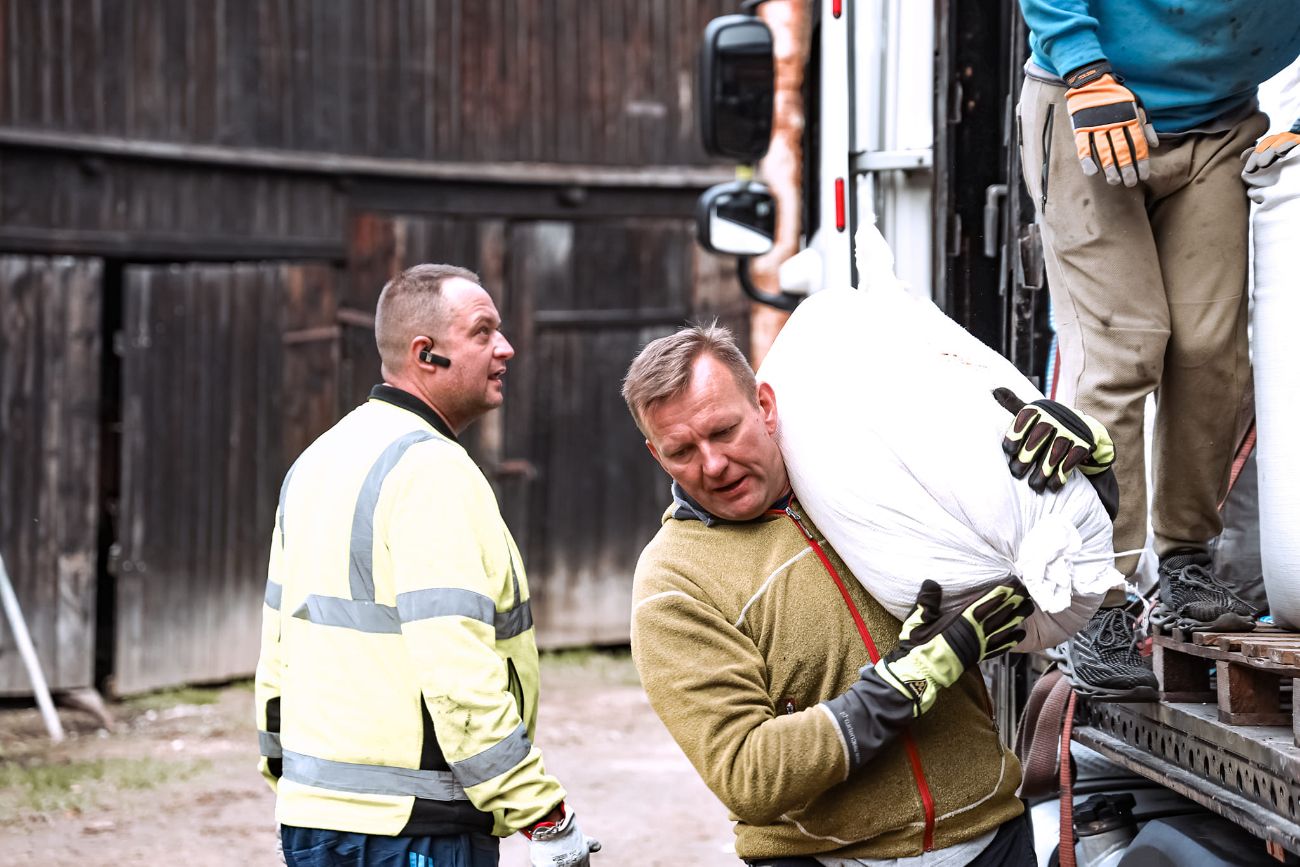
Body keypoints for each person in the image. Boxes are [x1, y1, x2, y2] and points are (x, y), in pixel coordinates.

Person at [621, 324, 1081, 866]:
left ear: (764, 406)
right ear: (657, 456)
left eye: (723, 431)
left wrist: (1079, 482)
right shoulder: (673, 581)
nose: (713, 464)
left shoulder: (871, 479)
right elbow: (748, 774)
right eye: (682, 451)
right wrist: (902, 687)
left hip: (993, 839)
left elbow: (1038, 565)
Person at [254, 264, 600, 867]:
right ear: (427, 354)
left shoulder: (317, 460)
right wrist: (542, 817)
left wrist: (290, 775)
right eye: (484, 332)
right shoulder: (431, 471)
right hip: (416, 827)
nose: (506, 348)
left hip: (313, 819)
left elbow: (277, 643)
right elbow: (457, 664)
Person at [1015, 1, 1300, 700]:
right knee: (1123, 349)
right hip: (1095, 101)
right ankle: (1097, 600)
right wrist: (1083, 69)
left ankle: (1185, 563)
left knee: (1211, 351)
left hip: (1220, 117)